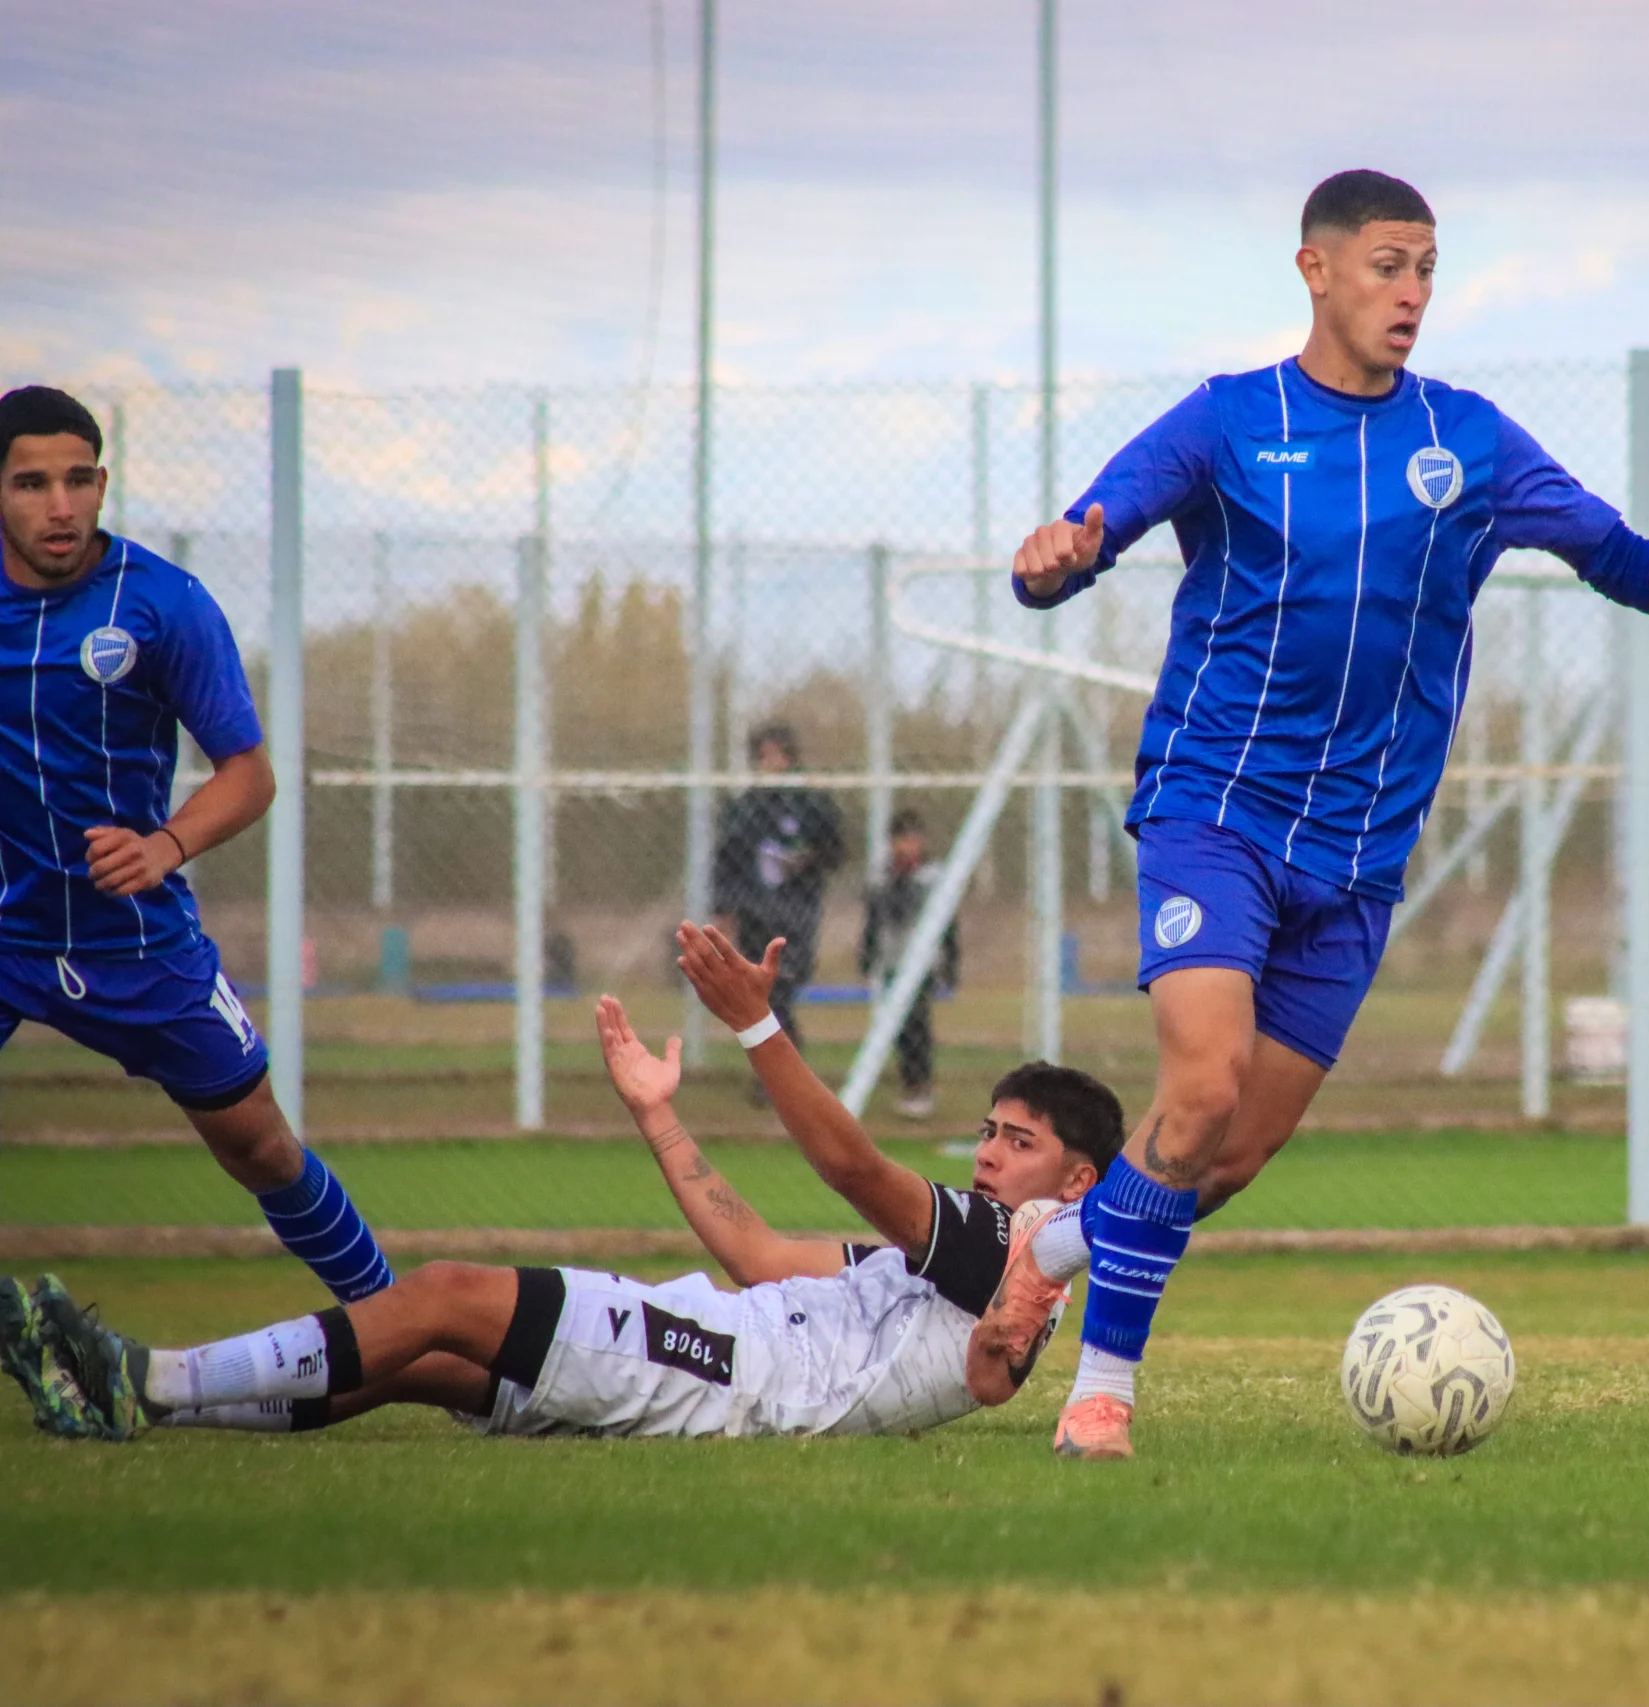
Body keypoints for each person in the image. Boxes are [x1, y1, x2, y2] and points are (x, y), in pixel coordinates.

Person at [1007, 169, 1649, 1458]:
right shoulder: (1230, 421)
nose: (1413, 293)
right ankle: (1103, 1394)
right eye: (1389, 265)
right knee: (1200, 1087)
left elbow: (1608, 552)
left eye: (1429, 268)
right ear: (1315, 270)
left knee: (1223, 1160)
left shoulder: (1469, 441)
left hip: (1361, 855)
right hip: (1214, 810)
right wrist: (1054, 551)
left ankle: (1047, 1246)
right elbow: (1084, 530)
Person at [6, 922, 1120, 1443]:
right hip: (721, 1340)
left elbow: (850, 1165)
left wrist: (759, 1023)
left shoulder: (1003, 1249)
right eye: (986, 1129)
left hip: (729, 1375)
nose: (984, 1151)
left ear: (1080, 1177)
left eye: (1014, 1140)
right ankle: (137, 1403)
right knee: (423, 1359)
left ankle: (142, 1379)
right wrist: (658, 1115)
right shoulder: (976, 1264)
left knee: (444, 1291)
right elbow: (759, 1256)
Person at [0, 385, 392, 1304]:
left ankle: (403, 1331)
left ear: (101, 484)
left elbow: (249, 773)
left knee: (262, 1147)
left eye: (77, 480)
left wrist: (164, 847)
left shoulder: (164, 604)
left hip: (137, 943)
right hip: (8, 929)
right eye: (29, 483)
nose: (58, 505)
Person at [712, 721, 846, 1087]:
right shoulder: (745, 808)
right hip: (755, 913)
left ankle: (781, 1071)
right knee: (763, 992)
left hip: (797, 914)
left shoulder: (811, 803)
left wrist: (806, 858)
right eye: (763, 755)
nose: (770, 762)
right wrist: (723, 909)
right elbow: (726, 860)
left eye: (776, 754)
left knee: (784, 986)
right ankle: (778, 1073)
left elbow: (836, 851)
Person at [860, 807, 960, 1119]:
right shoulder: (882, 876)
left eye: (912, 840)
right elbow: (874, 921)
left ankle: (921, 1086)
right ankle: (909, 1084)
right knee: (898, 1027)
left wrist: (950, 963)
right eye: (900, 840)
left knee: (917, 1023)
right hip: (893, 959)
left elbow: (949, 925)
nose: (906, 846)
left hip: (922, 962)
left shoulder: (933, 876)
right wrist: (868, 955)